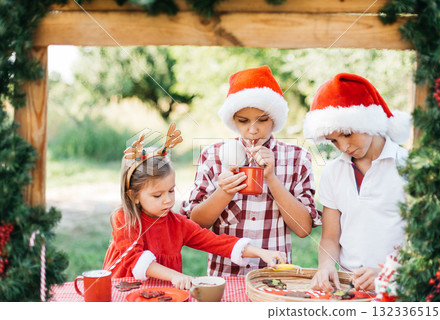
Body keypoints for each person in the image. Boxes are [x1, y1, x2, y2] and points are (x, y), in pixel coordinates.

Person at [103, 124, 286, 289]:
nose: (167, 200)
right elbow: (135, 260)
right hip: (123, 291)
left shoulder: (177, 224)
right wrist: (174, 275)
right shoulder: (124, 219)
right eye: (157, 195)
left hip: (163, 295)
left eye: (171, 191)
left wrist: (261, 252)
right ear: (133, 196)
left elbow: (216, 242)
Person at [180, 66, 321, 276]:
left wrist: (272, 178)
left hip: (275, 276)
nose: (253, 130)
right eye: (243, 121)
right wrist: (224, 192)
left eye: (262, 120)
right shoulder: (213, 156)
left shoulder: (297, 158)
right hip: (225, 273)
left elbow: (303, 230)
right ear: (232, 119)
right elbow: (195, 224)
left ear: (275, 118)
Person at [303, 73, 411, 292]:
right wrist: (325, 266)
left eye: (348, 134)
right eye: (334, 140)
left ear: (369, 122)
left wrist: (388, 271)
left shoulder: (410, 167)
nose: (343, 147)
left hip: (400, 287)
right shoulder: (334, 172)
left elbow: (421, 237)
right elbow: (330, 237)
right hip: (349, 288)